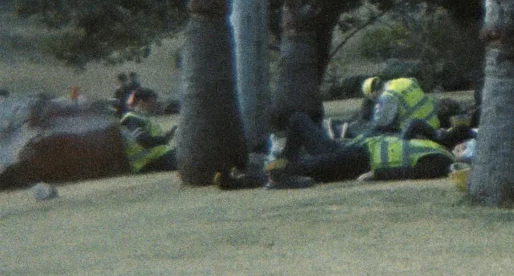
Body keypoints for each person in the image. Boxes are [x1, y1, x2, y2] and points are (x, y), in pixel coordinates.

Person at [218, 111, 457, 189]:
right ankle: (283, 168)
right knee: (298, 120)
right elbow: (414, 124)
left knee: (302, 167)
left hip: (360, 161)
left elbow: (412, 174)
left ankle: (241, 181)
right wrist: (437, 133)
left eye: (467, 146)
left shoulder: (441, 161)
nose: (465, 146)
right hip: (351, 148)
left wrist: (377, 175)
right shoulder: (434, 143)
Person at [119, 88, 177, 173]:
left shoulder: (143, 118)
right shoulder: (130, 119)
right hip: (146, 162)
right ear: (141, 102)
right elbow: (143, 141)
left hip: (159, 157)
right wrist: (164, 139)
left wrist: (165, 136)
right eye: (152, 103)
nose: (154, 106)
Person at [360, 76, 440, 134]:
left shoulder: (388, 96)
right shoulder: (405, 80)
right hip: (434, 121)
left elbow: (382, 123)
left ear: (374, 93)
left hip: (420, 132)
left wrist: (368, 126)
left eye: (374, 99)